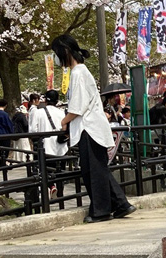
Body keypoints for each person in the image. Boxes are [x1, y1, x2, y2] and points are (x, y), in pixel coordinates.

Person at [51, 34, 133, 223]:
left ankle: (101, 211)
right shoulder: (81, 71)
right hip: (92, 127)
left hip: (89, 128)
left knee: (93, 171)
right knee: (98, 169)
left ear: (64, 51)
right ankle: (121, 204)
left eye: (56, 53)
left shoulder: (78, 73)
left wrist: (64, 121)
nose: (56, 58)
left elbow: (78, 106)